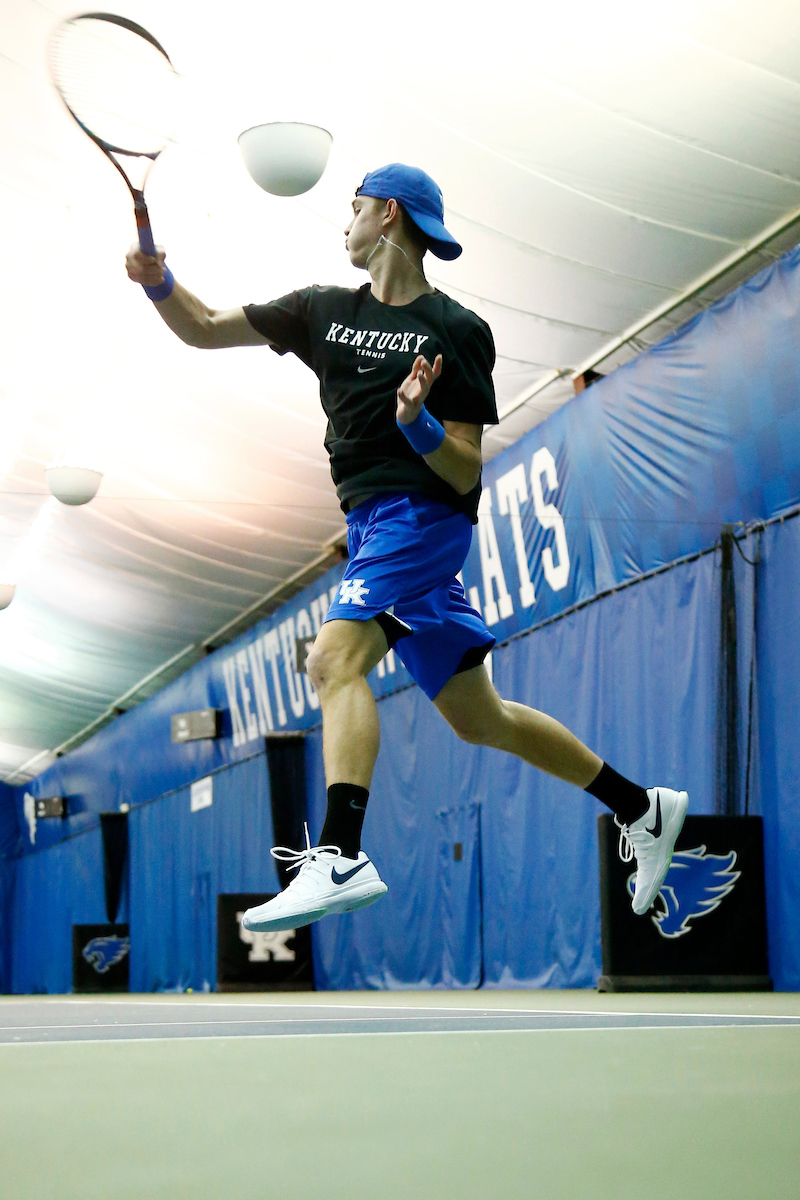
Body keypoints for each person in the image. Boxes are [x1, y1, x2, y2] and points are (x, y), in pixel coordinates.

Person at [126, 162, 688, 934]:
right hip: (371, 530)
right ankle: (642, 807)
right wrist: (160, 282)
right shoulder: (319, 310)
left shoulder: (457, 331)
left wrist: (418, 422)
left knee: (332, 660)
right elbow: (201, 327)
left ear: (387, 214)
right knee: (480, 719)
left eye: (353, 207)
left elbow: (465, 467)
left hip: (420, 520)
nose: (346, 221)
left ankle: (339, 855)